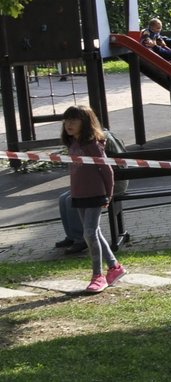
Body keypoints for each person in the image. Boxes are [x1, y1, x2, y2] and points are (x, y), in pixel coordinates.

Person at [62, 106, 123, 293]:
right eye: (67, 120)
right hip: (79, 194)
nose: (69, 124)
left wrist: (109, 193)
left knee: (89, 232)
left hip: (96, 194)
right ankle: (115, 267)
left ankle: (98, 276)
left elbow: (107, 170)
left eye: (74, 120)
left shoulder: (93, 145)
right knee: (93, 232)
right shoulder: (73, 143)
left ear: (86, 123)